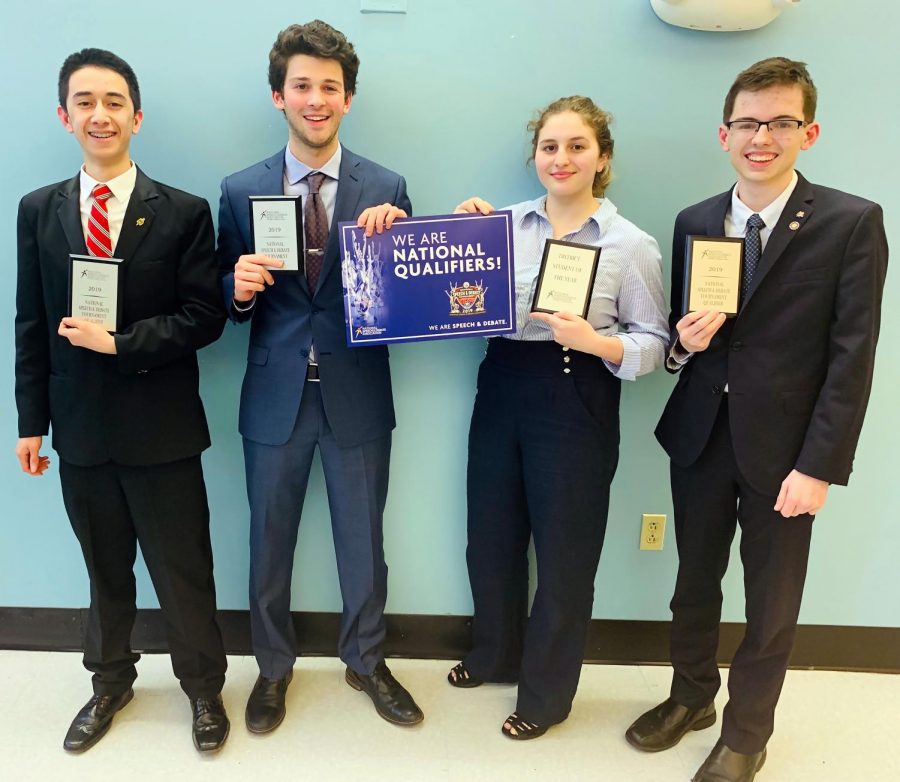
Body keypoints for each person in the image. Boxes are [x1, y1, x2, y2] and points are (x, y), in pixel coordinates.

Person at [625, 58, 888, 782]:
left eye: (779, 122)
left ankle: (746, 734)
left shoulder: (851, 221)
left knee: (771, 601)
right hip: (701, 437)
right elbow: (685, 337)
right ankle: (691, 698)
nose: (761, 137)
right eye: (748, 123)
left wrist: (820, 466)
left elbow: (852, 355)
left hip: (789, 455)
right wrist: (682, 342)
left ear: (809, 130)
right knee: (693, 581)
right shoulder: (695, 221)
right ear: (724, 133)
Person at [14, 48, 230, 753]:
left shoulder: (184, 212)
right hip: (80, 432)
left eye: (113, 101)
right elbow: (30, 322)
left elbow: (205, 316)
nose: (99, 114)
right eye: (84, 102)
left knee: (183, 571)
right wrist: (29, 423)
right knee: (105, 571)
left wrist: (121, 343)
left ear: (137, 116)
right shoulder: (39, 211)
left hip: (162, 432)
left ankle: (202, 690)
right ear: (64, 116)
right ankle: (110, 681)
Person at [215, 20, 422, 733]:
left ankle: (367, 661)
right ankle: (272, 670)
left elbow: (408, 303)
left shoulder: (386, 185)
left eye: (329, 87)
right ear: (279, 95)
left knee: (364, 539)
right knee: (268, 542)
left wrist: (404, 243)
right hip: (274, 396)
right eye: (301, 85)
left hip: (356, 393)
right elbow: (225, 302)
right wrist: (236, 287)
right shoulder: (239, 187)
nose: (315, 99)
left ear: (347, 98)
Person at [449, 96, 668, 739]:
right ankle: (494, 654)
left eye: (577, 146)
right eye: (550, 146)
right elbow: (453, 300)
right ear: (534, 156)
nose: (562, 158)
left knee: (566, 553)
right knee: (490, 535)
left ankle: (545, 696)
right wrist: (458, 241)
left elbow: (655, 341)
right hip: (501, 383)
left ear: (602, 158)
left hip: (577, 390)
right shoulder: (501, 225)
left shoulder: (631, 245)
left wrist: (596, 342)